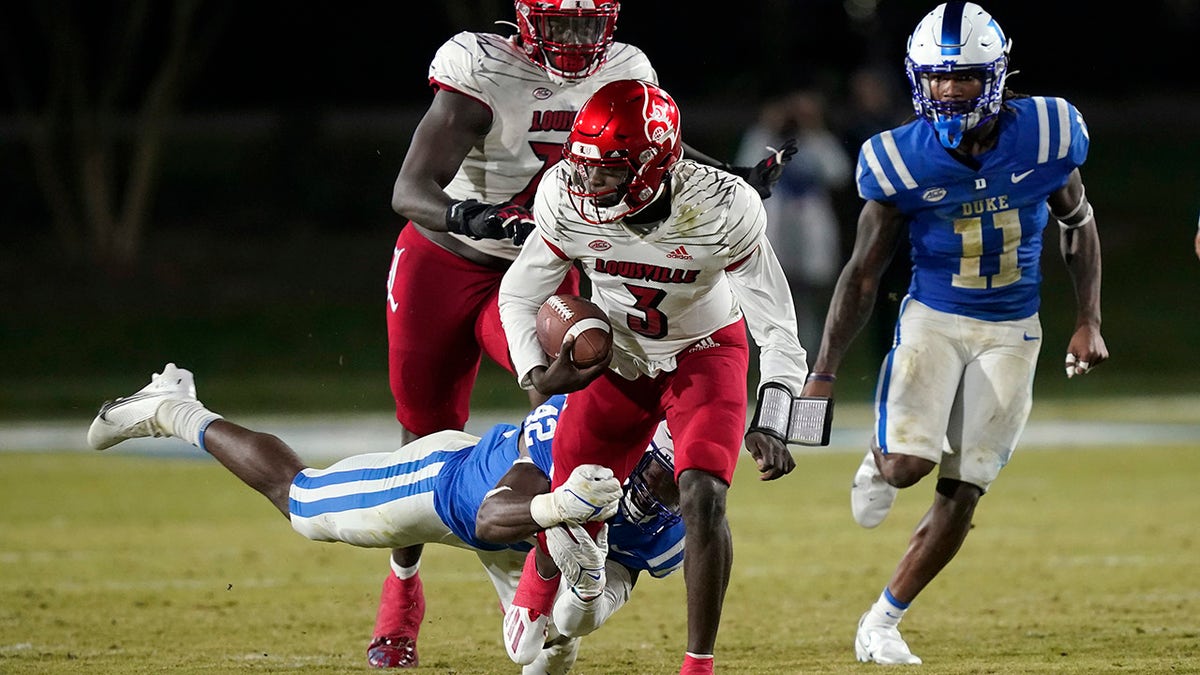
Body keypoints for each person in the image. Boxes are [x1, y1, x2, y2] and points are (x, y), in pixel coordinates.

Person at [383, 3, 790, 666]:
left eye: (586, 22)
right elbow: (408, 188)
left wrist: (736, 181)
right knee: (422, 428)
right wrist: (476, 216)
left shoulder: (626, 72)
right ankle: (402, 588)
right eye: (558, 22)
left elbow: (658, 151)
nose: (574, 39)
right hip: (445, 256)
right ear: (525, 18)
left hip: (540, 254)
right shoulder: (484, 67)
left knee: (577, 366)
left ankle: (562, 540)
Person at [798, 3, 1108, 665]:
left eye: (963, 76)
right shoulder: (898, 157)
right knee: (905, 468)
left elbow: (1077, 223)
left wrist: (1089, 319)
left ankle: (881, 621)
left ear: (995, 76)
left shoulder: (1048, 132)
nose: (947, 90)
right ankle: (880, 455)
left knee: (965, 486)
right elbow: (861, 274)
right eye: (936, 77)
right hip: (933, 319)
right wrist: (822, 373)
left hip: (1012, 330)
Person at [496, 79, 810, 675]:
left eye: (605, 172)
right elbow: (519, 293)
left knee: (705, 493)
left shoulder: (719, 208)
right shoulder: (566, 198)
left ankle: (698, 663)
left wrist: (774, 416)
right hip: (617, 359)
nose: (587, 184)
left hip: (705, 350)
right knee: (574, 497)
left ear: (651, 165)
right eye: (582, 167)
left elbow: (777, 327)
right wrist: (536, 371)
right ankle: (541, 579)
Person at [86, 363, 686, 674]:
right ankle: (173, 406)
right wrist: (562, 508)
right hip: (449, 488)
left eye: (681, 490)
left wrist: (585, 594)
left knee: (550, 655)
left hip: (539, 547)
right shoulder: (579, 436)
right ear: (635, 456)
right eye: (662, 480)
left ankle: (550, 597)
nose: (667, 501)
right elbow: (489, 514)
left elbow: (617, 585)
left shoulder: (677, 519)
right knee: (304, 504)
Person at [735, 89, 853, 354]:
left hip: (809, 228)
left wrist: (814, 129)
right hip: (771, 228)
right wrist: (767, 128)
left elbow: (839, 173)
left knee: (804, 302)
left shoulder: (815, 140)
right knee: (762, 299)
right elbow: (745, 171)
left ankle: (807, 361)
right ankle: (756, 361)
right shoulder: (763, 138)